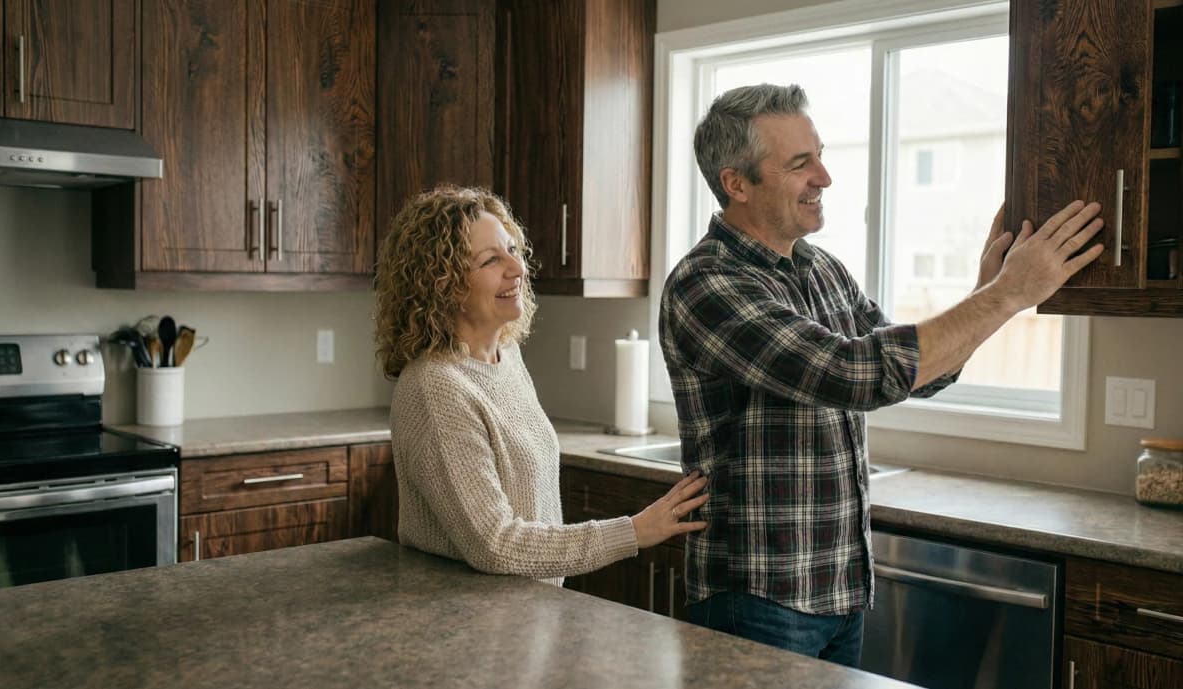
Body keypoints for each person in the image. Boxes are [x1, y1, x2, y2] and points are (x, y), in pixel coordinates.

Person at [659, 83, 1104, 666]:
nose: (824, 177)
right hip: (758, 594)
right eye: (800, 163)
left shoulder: (822, 269)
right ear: (736, 183)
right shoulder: (707, 283)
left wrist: (990, 290)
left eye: (820, 155)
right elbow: (855, 375)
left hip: (839, 589)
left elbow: (919, 373)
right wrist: (1006, 296)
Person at [376, 185, 709, 583]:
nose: (517, 269)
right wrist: (634, 531)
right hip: (465, 617)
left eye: (512, 250)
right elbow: (496, 544)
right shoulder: (435, 388)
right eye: (490, 260)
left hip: (527, 610)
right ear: (443, 284)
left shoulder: (507, 357)